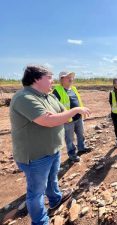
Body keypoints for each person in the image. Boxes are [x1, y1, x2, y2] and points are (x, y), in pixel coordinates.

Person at [10, 65, 91, 225]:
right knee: (36, 192)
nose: (52, 81)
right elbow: (49, 121)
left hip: (53, 150)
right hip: (35, 156)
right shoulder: (24, 97)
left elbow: (63, 116)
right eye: (49, 77)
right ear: (36, 79)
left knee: (52, 179)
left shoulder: (48, 97)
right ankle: (40, 221)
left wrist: (58, 116)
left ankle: (55, 199)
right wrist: (73, 111)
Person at [53, 71, 91, 162]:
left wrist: (82, 111)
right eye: (68, 77)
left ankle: (81, 147)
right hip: (67, 120)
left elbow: (78, 101)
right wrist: (61, 118)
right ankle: (72, 154)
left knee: (80, 134)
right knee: (69, 139)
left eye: (71, 77)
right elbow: (54, 106)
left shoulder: (73, 88)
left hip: (78, 117)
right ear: (62, 79)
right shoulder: (57, 91)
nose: (71, 79)